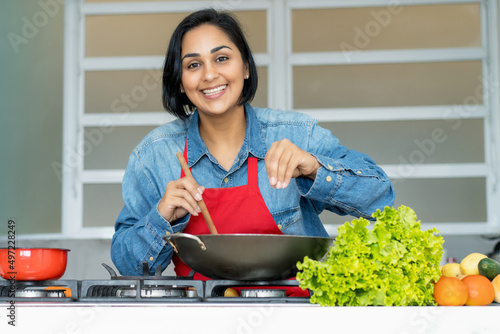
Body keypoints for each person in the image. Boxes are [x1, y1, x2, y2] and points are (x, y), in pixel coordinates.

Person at [111, 8, 395, 278]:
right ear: (181, 82)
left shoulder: (298, 134)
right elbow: (128, 266)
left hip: (294, 316)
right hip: (200, 316)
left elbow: (380, 198)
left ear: (246, 67)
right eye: (194, 64)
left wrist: (313, 168)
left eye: (222, 58)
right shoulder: (154, 155)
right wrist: (161, 218)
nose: (209, 75)